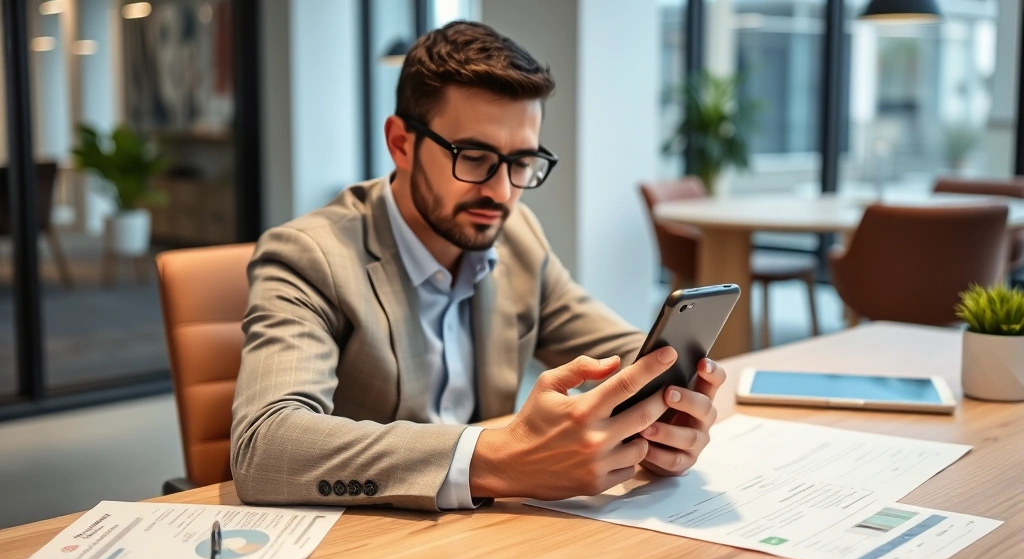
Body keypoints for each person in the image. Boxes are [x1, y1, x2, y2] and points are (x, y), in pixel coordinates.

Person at [230, 21, 725, 511]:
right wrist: (497, 458)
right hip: (370, 535)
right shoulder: (309, 255)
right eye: (473, 156)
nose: (502, 192)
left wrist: (667, 411)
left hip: (488, 531)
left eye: (522, 162)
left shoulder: (517, 236)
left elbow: (623, 352)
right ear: (401, 143)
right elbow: (264, 445)